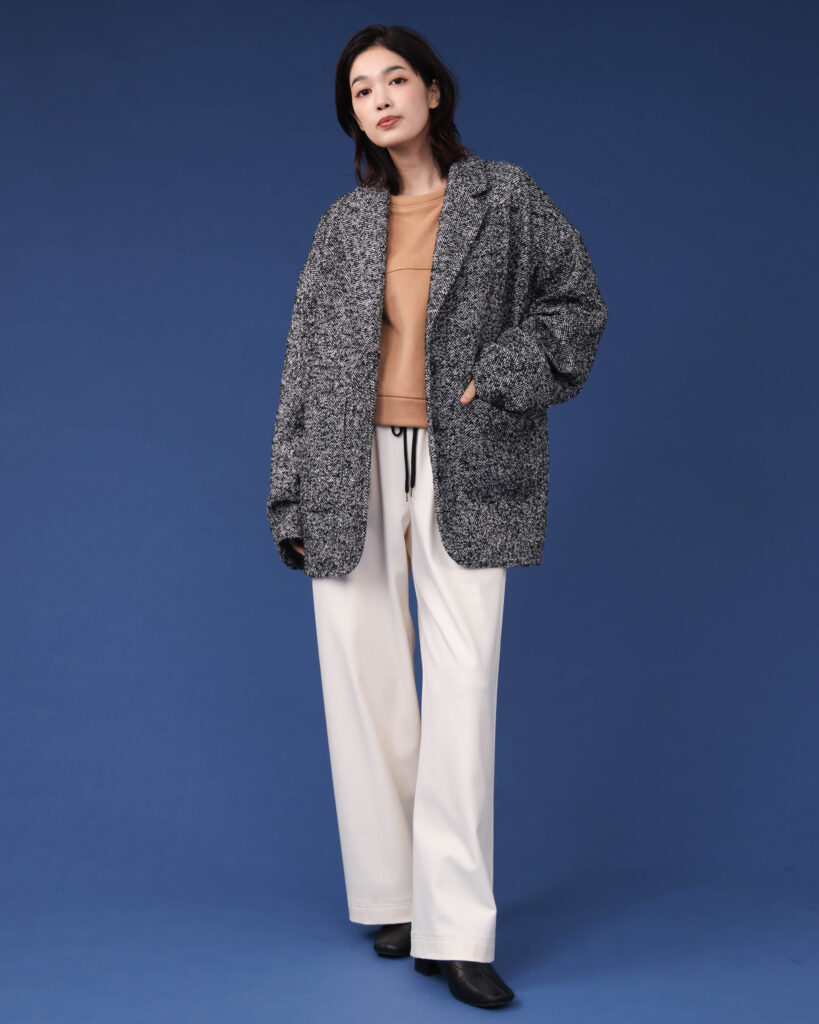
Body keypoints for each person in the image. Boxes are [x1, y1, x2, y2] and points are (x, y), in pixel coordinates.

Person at [266, 24, 609, 1010]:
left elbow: (576, 303)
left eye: (394, 79)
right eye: (359, 89)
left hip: (471, 459)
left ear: (433, 90)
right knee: (364, 677)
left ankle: (456, 930)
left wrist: (503, 369)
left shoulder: (505, 197)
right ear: (353, 116)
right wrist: (289, 491)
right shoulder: (343, 224)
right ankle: (396, 897)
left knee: (462, 686)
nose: (379, 98)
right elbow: (302, 362)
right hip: (351, 464)